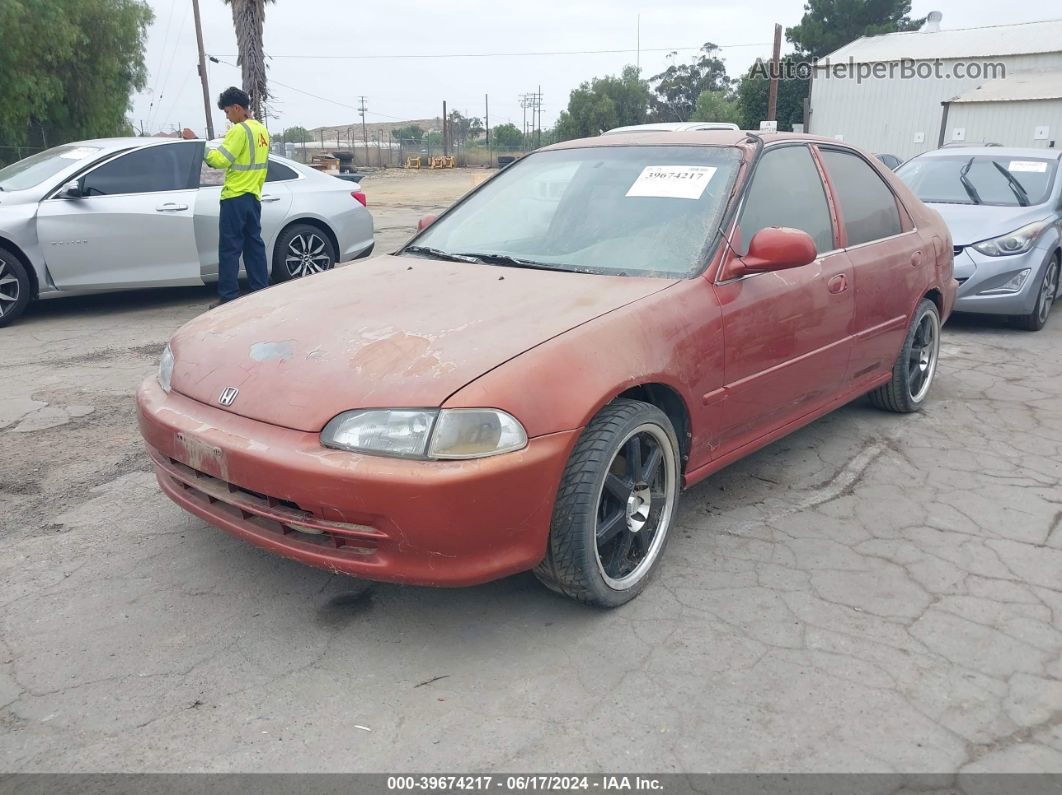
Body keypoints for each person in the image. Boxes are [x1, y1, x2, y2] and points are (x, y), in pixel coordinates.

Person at [182, 87, 270, 308]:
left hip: (235, 197)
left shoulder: (239, 131)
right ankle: (261, 291)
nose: (228, 118)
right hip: (253, 196)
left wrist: (199, 145)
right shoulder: (262, 131)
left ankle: (229, 297)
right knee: (254, 246)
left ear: (238, 108)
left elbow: (220, 160)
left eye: (228, 112)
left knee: (230, 248)